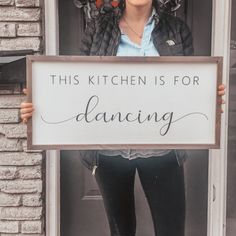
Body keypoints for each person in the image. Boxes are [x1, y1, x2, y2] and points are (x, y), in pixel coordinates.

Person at [21, 0, 226, 235]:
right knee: (121, 231)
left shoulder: (177, 30)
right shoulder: (98, 29)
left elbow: (191, 88)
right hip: (110, 154)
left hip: (162, 152)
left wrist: (208, 99)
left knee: (171, 230)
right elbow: (76, 87)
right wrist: (40, 108)